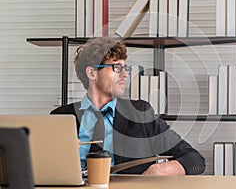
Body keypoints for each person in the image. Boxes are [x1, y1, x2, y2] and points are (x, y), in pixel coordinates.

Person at [50, 37, 205, 175]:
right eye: (116, 67)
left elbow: (194, 159)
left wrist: (160, 169)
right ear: (92, 73)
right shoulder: (60, 118)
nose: (125, 74)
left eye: (126, 68)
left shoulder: (140, 113)